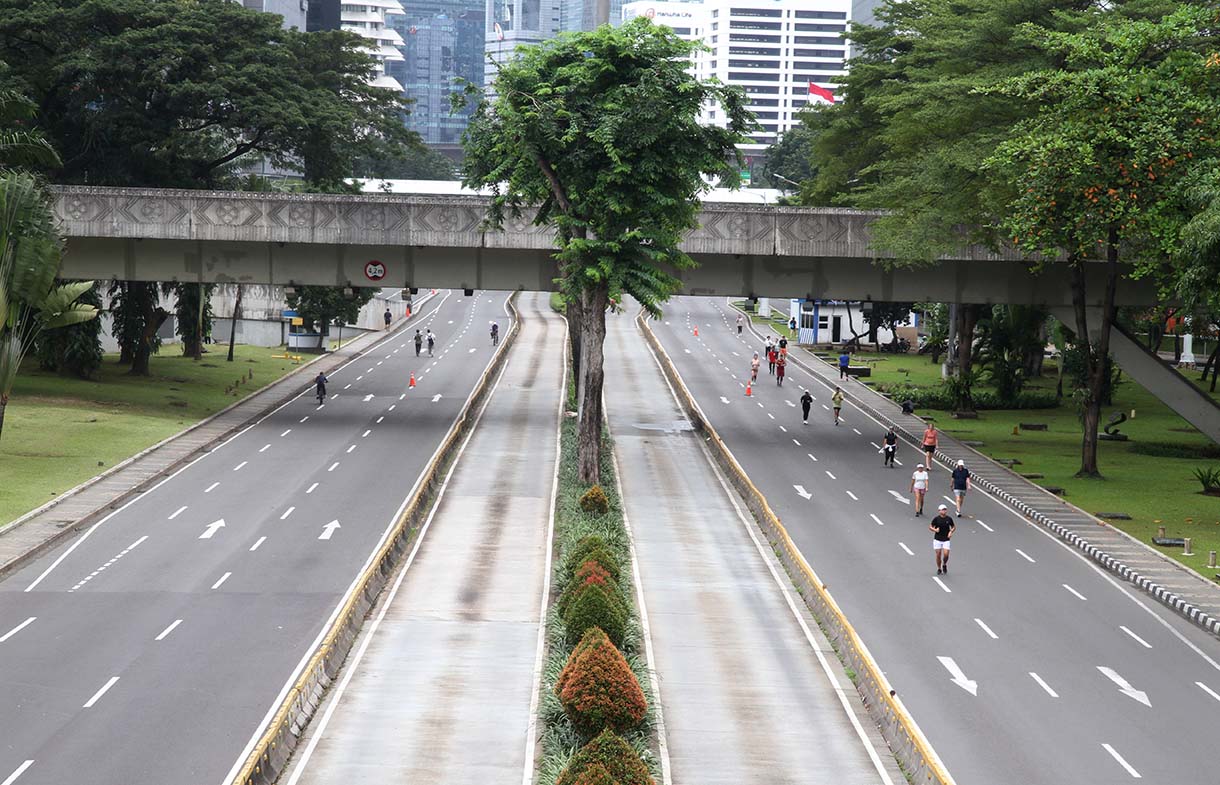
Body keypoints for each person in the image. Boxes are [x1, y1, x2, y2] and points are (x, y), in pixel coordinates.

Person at [930, 504, 957, 575]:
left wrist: (951, 532)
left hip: (946, 539)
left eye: (945, 509)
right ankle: (939, 568)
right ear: (939, 511)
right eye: (942, 509)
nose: (944, 511)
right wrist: (935, 530)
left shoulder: (949, 519)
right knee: (938, 554)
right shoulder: (936, 519)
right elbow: (930, 527)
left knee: (946, 554)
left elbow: (953, 527)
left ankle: (944, 564)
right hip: (937, 539)